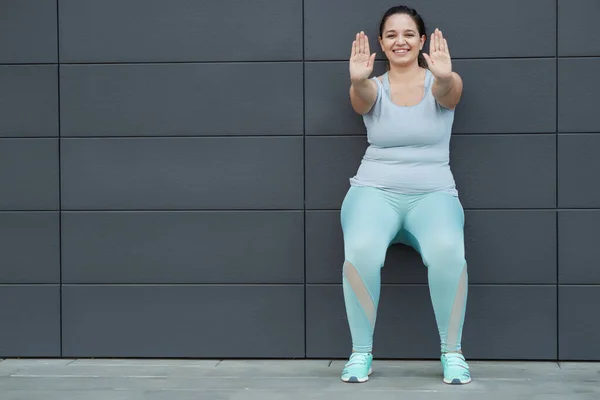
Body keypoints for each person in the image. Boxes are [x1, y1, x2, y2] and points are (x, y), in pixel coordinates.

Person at [340, 5, 470, 385]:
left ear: (422, 40)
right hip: (374, 191)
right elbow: (361, 99)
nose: (401, 41)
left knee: (448, 251)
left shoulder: (444, 81)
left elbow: (450, 94)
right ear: (381, 43)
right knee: (361, 250)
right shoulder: (372, 86)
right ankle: (360, 354)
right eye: (392, 35)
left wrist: (444, 76)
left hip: (433, 193)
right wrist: (358, 80)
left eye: (409, 34)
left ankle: (453, 353)